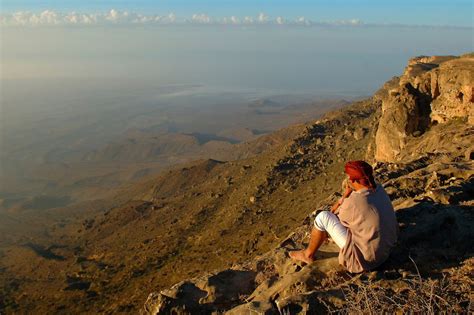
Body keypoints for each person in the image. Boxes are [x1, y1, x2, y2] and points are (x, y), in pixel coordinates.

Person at [289, 160, 399, 273]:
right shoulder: (380, 189)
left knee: (323, 217)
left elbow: (332, 213)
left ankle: (307, 254)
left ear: (352, 180)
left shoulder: (353, 202)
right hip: (387, 250)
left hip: (367, 260)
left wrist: (344, 197)